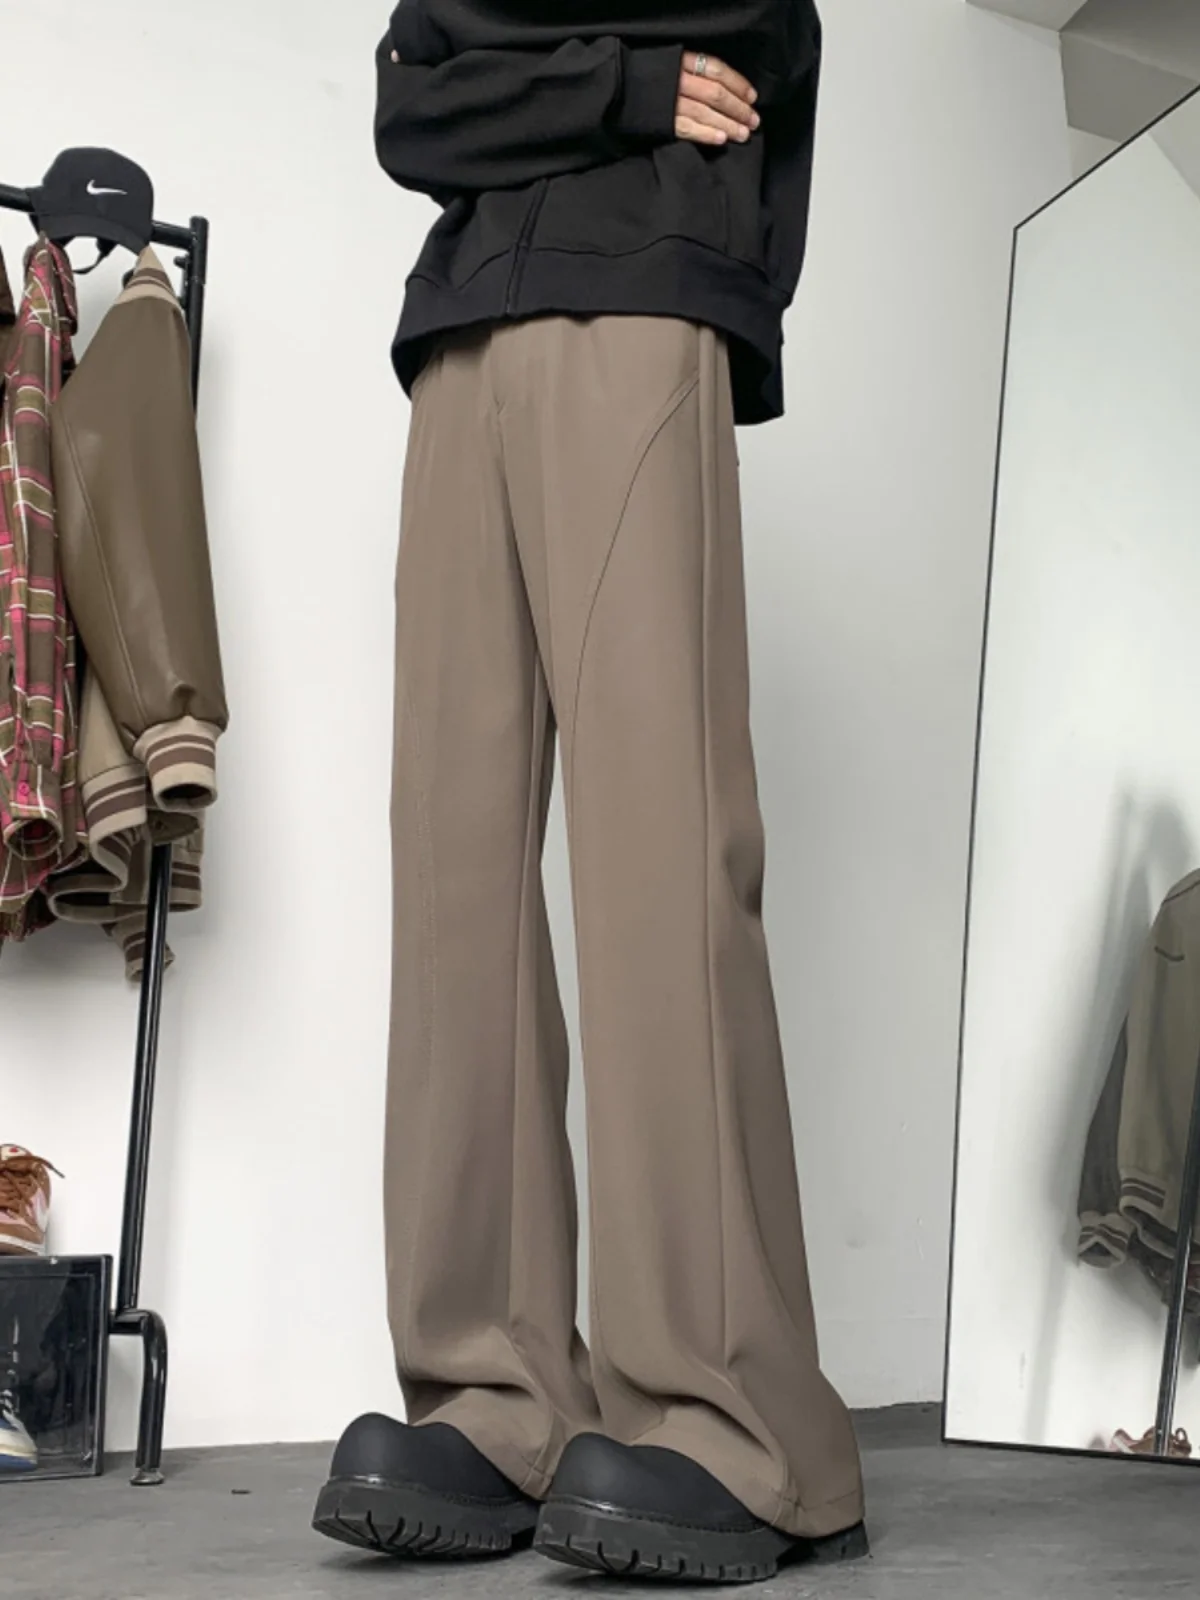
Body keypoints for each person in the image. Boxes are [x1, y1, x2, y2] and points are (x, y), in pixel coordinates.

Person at [313, 1, 867, 1584]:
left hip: (638, 299)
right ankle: (496, 1398)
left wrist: (533, 82)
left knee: (656, 859)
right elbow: (412, 105)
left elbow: (747, 40)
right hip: (460, 341)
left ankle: (740, 1423)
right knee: (455, 874)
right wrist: (616, 82)